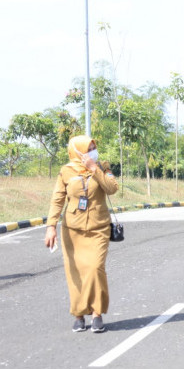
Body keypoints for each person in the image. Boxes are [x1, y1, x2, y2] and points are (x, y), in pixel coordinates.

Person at [44, 135, 119, 333]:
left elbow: (112, 189)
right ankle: (78, 314)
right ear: (76, 151)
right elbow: (57, 199)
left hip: (98, 228)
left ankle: (97, 313)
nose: (92, 151)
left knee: (95, 268)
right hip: (72, 230)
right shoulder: (66, 171)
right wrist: (51, 226)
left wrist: (94, 169)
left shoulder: (103, 166)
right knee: (75, 272)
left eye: (93, 147)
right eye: (88, 148)